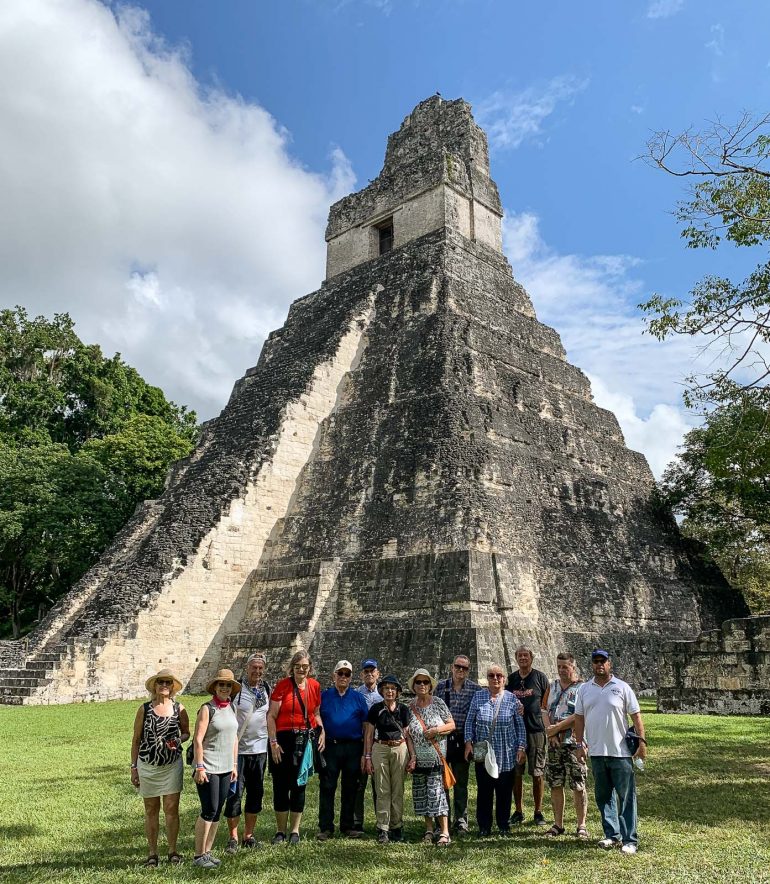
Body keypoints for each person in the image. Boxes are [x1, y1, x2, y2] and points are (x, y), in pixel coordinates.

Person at [573, 649, 647, 855]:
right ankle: (611, 834)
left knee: (626, 797)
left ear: (609, 664)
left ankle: (629, 839)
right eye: (596, 661)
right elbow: (579, 718)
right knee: (603, 796)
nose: (599, 665)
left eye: (603, 661)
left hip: (621, 752)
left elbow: (636, 717)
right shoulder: (585, 689)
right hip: (596, 751)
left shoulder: (622, 687)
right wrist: (579, 745)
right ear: (592, 665)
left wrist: (642, 743)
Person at [130, 668, 190, 867]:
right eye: (160, 682)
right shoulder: (144, 709)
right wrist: (134, 767)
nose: (164, 686)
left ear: (172, 687)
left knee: (172, 808)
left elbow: (186, 732)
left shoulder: (179, 708)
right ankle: (152, 853)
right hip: (147, 765)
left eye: (168, 683)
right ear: (154, 686)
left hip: (171, 765)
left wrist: (177, 740)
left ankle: (173, 850)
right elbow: (136, 740)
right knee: (151, 809)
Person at [266, 650, 325, 844]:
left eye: (305, 667)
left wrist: (322, 730)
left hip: (305, 739)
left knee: (299, 785)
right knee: (281, 786)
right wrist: (273, 742)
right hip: (282, 739)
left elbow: (316, 713)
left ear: (310, 668)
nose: (301, 670)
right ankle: (280, 831)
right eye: (298, 666)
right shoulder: (283, 686)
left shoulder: (315, 686)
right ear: (292, 667)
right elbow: (272, 716)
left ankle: (295, 831)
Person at [463, 664, 526, 836]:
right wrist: (468, 743)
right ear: (487, 679)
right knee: (484, 790)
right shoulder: (478, 696)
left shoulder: (513, 700)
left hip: (506, 752)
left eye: (499, 675)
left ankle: (503, 824)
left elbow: (520, 727)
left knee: (504, 791)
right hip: (483, 752)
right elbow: (469, 722)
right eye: (491, 675)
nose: (495, 678)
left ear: (504, 679)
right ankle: (484, 826)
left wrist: (521, 748)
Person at [192, 668, 240, 869]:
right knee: (208, 810)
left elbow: (234, 739)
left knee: (218, 810)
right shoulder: (207, 708)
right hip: (209, 767)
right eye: (221, 684)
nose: (225, 688)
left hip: (226, 767)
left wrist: (235, 764)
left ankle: (207, 852)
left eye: (228, 685)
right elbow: (197, 739)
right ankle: (198, 855)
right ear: (215, 687)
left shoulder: (232, 708)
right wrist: (200, 766)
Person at [224, 653, 272, 853]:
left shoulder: (267, 689)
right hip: (239, 751)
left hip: (260, 750)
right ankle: (233, 837)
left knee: (255, 793)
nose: (257, 672)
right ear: (247, 668)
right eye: (254, 668)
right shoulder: (237, 690)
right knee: (235, 793)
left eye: (261, 668)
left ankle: (248, 835)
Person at [317, 660, 369, 840]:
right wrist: (321, 731)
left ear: (351, 678)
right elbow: (316, 716)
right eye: (340, 673)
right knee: (327, 786)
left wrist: (365, 752)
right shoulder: (324, 696)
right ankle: (325, 827)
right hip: (330, 746)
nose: (343, 677)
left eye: (347, 674)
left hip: (353, 747)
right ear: (334, 676)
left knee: (350, 787)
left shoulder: (358, 698)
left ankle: (347, 825)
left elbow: (365, 725)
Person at [362, 675, 416, 844]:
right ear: (382, 691)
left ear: (398, 692)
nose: (390, 691)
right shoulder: (375, 709)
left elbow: (408, 735)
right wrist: (368, 756)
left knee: (397, 789)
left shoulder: (404, 709)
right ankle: (383, 827)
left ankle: (397, 825)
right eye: (386, 689)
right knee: (382, 788)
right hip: (381, 748)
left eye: (393, 689)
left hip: (399, 747)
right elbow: (369, 735)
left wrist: (412, 756)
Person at [406, 668, 456, 847]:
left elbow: (452, 724)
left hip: (435, 758)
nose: (421, 685)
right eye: (418, 682)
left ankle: (444, 832)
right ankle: (428, 829)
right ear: (413, 686)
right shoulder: (410, 707)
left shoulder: (438, 703)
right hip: (418, 759)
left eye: (425, 682)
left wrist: (436, 730)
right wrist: (412, 756)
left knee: (437, 795)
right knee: (422, 796)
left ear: (430, 686)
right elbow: (408, 735)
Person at [541, 652, 588, 839]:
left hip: (574, 742)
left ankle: (581, 825)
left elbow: (579, 715)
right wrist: (549, 732)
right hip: (554, 744)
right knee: (555, 783)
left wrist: (557, 728)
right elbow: (544, 710)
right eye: (559, 666)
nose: (561, 670)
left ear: (573, 667)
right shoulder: (551, 687)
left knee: (578, 784)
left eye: (565, 667)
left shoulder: (582, 689)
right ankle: (558, 824)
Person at [435, 654, 482, 834]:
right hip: (444, 740)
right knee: (443, 781)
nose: (460, 670)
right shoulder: (441, 687)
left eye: (464, 668)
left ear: (468, 670)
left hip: (463, 740)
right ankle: (443, 820)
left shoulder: (475, 690)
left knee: (461, 783)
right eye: (458, 666)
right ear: (452, 667)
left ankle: (461, 820)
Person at [506, 646, 549, 826]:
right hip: (516, 732)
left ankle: (538, 811)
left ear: (531, 658)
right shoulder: (512, 679)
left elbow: (546, 704)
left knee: (537, 772)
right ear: (516, 658)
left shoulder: (540, 678)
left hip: (536, 730)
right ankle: (518, 810)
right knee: (517, 772)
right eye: (520, 655)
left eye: (526, 655)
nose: (523, 658)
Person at [354, 657, 382, 831]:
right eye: (366, 671)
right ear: (361, 674)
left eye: (372, 671)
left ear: (378, 674)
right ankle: (357, 821)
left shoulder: (384, 695)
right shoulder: (356, 695)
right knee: (359, 784)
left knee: (379, 785)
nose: (369, 674)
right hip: (360, 743)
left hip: (379, 743)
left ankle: (381, 821)